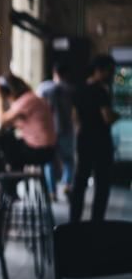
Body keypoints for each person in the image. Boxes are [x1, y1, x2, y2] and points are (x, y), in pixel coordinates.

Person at [70, 54, 119, 222]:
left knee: (80, 181)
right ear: (100, 70)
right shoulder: (101, 91)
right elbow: (107, 118)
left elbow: (75, 118)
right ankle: (96, 222)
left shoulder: (79, 89)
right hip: (101, 142)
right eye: (109, 71)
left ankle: (74, 220)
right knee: (102, 184)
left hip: (84, 139)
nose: (111, 75)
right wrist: (116, 116)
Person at [0, 73, 56, 176]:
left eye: (7, 95)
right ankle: (8, 183)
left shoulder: (26, 100)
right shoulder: (32, 98)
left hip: (40, 151)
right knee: (9, 144)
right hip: (46, 149)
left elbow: (2, 121)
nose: (8, 99)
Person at [37, 63, 75, 199]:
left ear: (54, 73)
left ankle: (52, 191)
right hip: (66, 129)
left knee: (49, 162)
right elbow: (75, 113)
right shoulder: (71, 90)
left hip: (49, 130)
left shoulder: (43, 88)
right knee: (68, 160)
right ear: (67, 74)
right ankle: (66, 184)